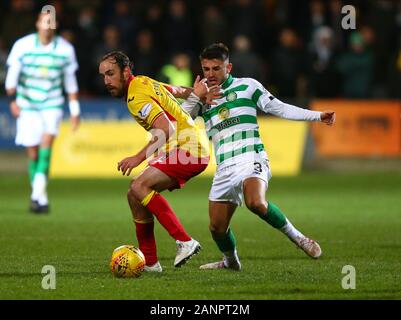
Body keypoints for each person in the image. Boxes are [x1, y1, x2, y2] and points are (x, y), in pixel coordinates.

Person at [182, 43, 336, 270]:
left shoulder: (248, 86)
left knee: (255, 202)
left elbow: (280, 108)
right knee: (216, 227)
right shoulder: (203, 96)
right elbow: (178, 122)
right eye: (206, 69)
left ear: (229, 67)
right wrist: (196, 98)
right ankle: (230, 262)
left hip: (251, 158)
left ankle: (299, 238)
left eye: (216, 68)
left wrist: (317, 116)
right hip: (224, 167)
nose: (211, 74)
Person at [98, 51, 211, 272]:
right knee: (134, 196)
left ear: (126, 71)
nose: (106, 81)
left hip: (187, 148)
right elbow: (177, 91)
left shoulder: (135, 96)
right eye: (103, 76)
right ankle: (150, 263)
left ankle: (184, 241)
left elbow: (165, 129)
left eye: (111, 74)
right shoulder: (143, 82)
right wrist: (197, 94)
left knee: (139, 185)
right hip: (187, 145)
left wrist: (138, 158)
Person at [5, 12, 81, 214]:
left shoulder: (66, 50)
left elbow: (70, 82)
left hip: (52, 104)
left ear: (55, 25)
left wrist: (75, 111)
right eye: (44, 21)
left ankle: (37, 196)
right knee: (33, 153)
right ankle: (40, 196)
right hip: (27, 105)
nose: (47, 26)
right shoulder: (23, 46)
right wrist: (12, 100)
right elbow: (12, 75)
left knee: (46, 146)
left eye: (51, 22)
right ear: (38, 23)